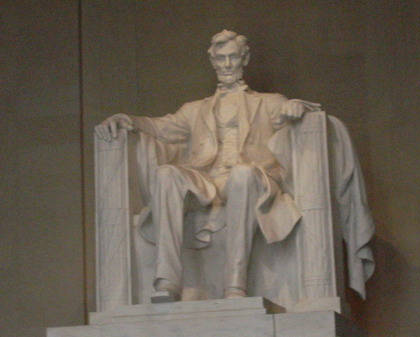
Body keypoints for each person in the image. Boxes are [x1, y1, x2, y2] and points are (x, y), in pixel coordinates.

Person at [95, 30, 321, 302]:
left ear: (244, 58)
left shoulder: (271, 102)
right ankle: (167, 281)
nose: (227, 65)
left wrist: (296, 108)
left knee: (242, 173)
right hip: (208, 180)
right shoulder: (193, 109)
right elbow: (161, 128)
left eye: (233, 58)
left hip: (250, 178)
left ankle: (235, 285)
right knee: (166, 174)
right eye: (221, 59)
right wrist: (128, 119)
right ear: (213, 62)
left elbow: (291, 116)